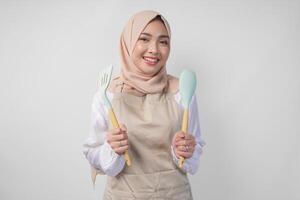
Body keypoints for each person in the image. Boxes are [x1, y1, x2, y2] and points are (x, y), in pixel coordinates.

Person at [83, 10, 205, 200]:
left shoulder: (182, 91)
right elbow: (93, 153)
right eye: (144, 39)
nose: (154, 49)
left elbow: (195, 154)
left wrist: (184, 150)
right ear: (129, 42)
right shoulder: (107, 93)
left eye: (163, 41)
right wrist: (111, 149)